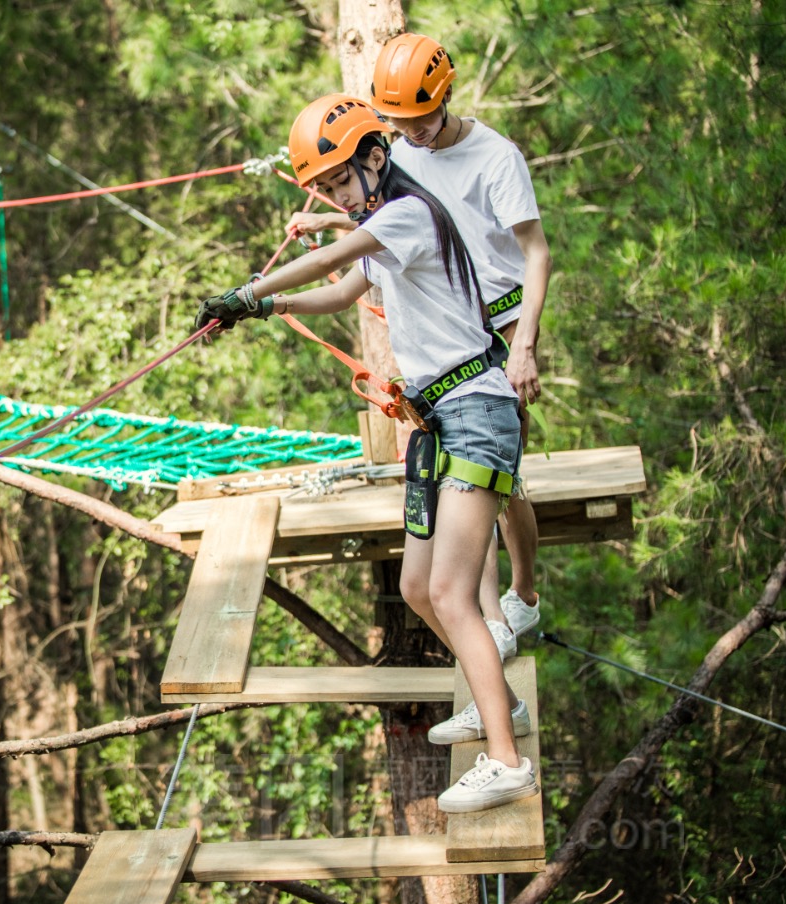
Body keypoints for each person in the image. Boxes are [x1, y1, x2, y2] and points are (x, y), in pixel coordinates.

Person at [196, 94, 537, 812]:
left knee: (450, 591)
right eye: (322, 191)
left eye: (340, 183)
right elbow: (341, 288)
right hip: (439, 418)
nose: (334, 199)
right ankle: (501, 702)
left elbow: (335, 253)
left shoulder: (406, 215)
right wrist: (259, 310)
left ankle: (507, 762)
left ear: (377, 158)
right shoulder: (383, 228)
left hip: (477, 410)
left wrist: (245, 291)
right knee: (419, 588)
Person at [286, 32, 550, 665]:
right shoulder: (399, 151)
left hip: (500, 320)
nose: (414, 134)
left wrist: (527, 347)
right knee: (474, 479)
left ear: (447, 96)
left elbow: (536, 252)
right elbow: (392, 220)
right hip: (446, 316)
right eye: (399, 123)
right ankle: (490, 622)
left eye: (422, 119)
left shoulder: (496, 157)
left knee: (502, 474)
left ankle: (523, 593)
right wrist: (327, 221)